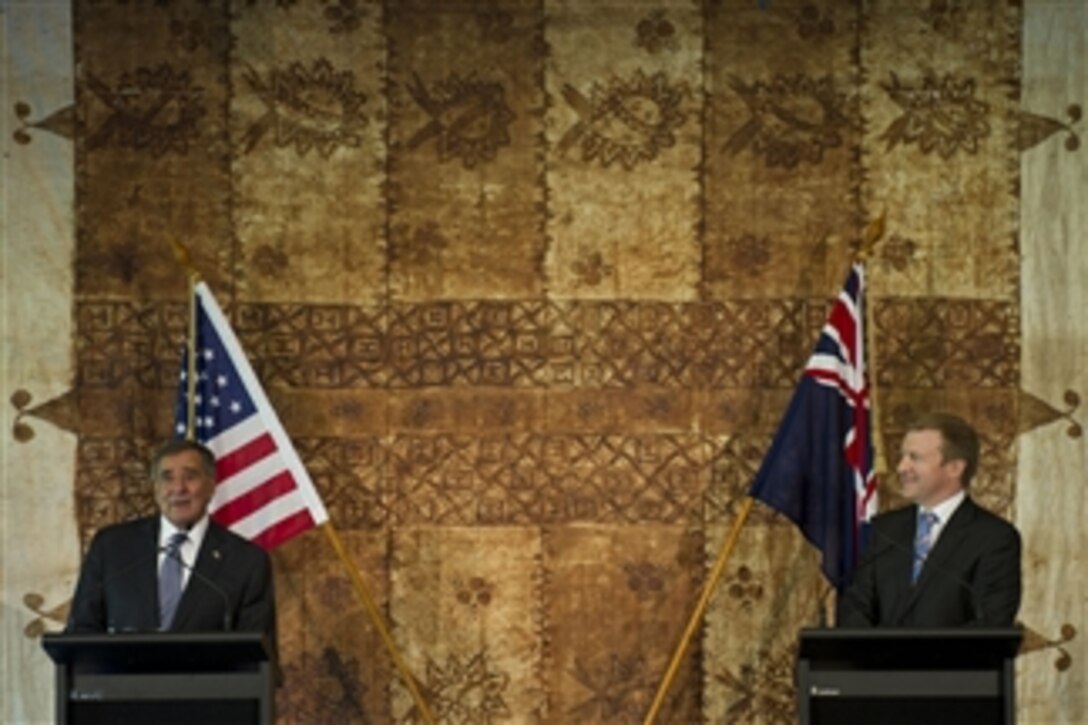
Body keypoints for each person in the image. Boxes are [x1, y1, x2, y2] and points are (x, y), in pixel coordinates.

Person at [68, 439, 276, 648]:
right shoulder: (112, 548)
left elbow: (258, 657)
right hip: (122, 680)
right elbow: (81, 632)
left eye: (190, 476)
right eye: (167, 478)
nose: (178, 488)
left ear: (211, 486)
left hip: (206, 681)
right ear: (156, 488)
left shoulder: (246, 561)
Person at [837, 412, 1021, 627]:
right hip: (880, 661)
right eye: (902, 456)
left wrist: (917, 655)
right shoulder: (885, 529)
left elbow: (991, 622)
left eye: (915, 458)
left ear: (955, 468)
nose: (901, 467)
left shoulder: (994, 538)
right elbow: (856, 606)